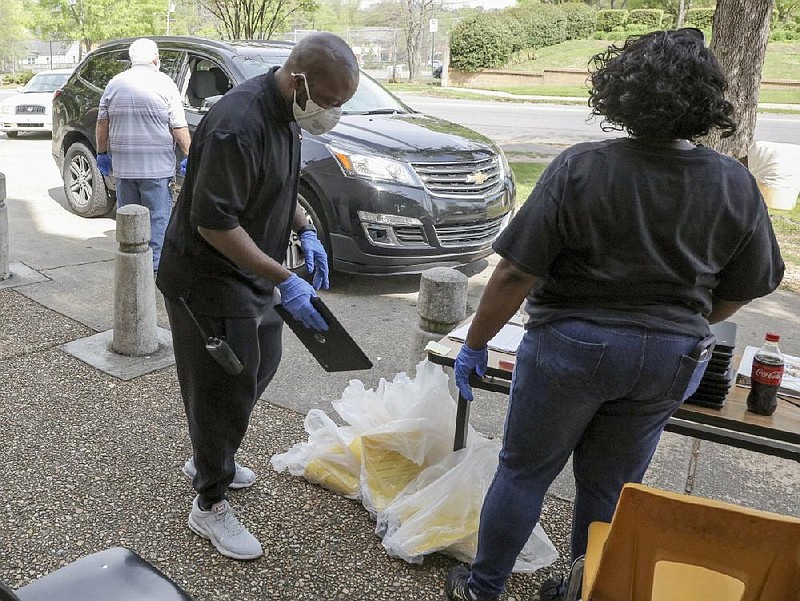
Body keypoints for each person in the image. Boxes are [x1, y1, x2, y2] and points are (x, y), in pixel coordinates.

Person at [444, 28, 784, 601]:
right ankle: (584, 590)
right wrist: (689, 320)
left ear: (622, 93)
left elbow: (514, 273)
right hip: (668, 361)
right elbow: (747, 285)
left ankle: (483, 589)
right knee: (611, 486)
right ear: (709, 100)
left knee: (525, 472)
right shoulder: (735, 184)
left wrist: (474, 343)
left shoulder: (581, 167)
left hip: (570, 349)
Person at [156, 32, 359, 560]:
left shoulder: (286, 114)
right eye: (331, 102)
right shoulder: (237, 124)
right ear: (299, 80)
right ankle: (210, 501)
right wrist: (284, 277)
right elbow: (214, 222)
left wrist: (304, 227)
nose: (332, 113)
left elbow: (279, 185)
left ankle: (210, 449)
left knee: (258, 366)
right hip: (206, 279)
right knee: (225, 384)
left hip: (252, 277)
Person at [96, 37, 191, 274]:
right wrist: (190, 154)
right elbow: (178, 126)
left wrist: (102, 153)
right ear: (156, 58)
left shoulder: (114, 84)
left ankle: (131, 263)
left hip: (124, 168)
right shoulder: (164, 83)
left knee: (128, 216)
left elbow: (102, 123)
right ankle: (155, 267)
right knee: (157, 219)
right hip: (156, 169)